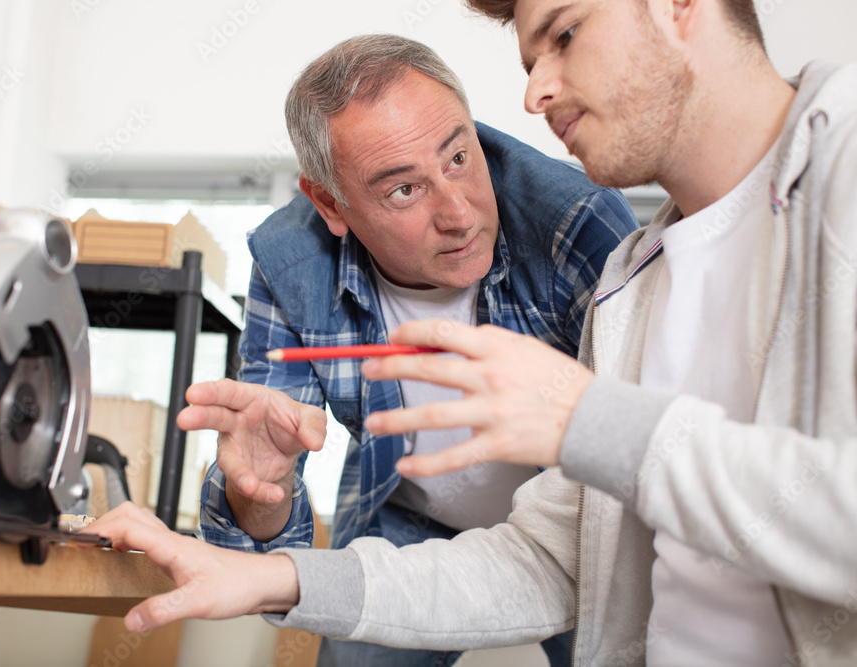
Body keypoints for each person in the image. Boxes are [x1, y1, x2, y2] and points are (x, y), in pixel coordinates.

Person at [90, 1, 857, 663]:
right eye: (530, 58)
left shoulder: (600, 226)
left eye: (564, 33)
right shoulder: (635, 281)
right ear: (331, 204)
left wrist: (588, 418)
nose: (533, 93)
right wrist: (271, 572)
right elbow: (558, 555)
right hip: (424, 523)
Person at [179, 33, 636, 667]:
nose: (459, 214)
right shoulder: (291, 262)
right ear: (331, 203)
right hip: (410, 517)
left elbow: (641, 454)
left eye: (458, 158)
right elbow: (253, 543)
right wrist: (260, 488)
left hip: (573, 521)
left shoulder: (578, 222)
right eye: (404, 191)